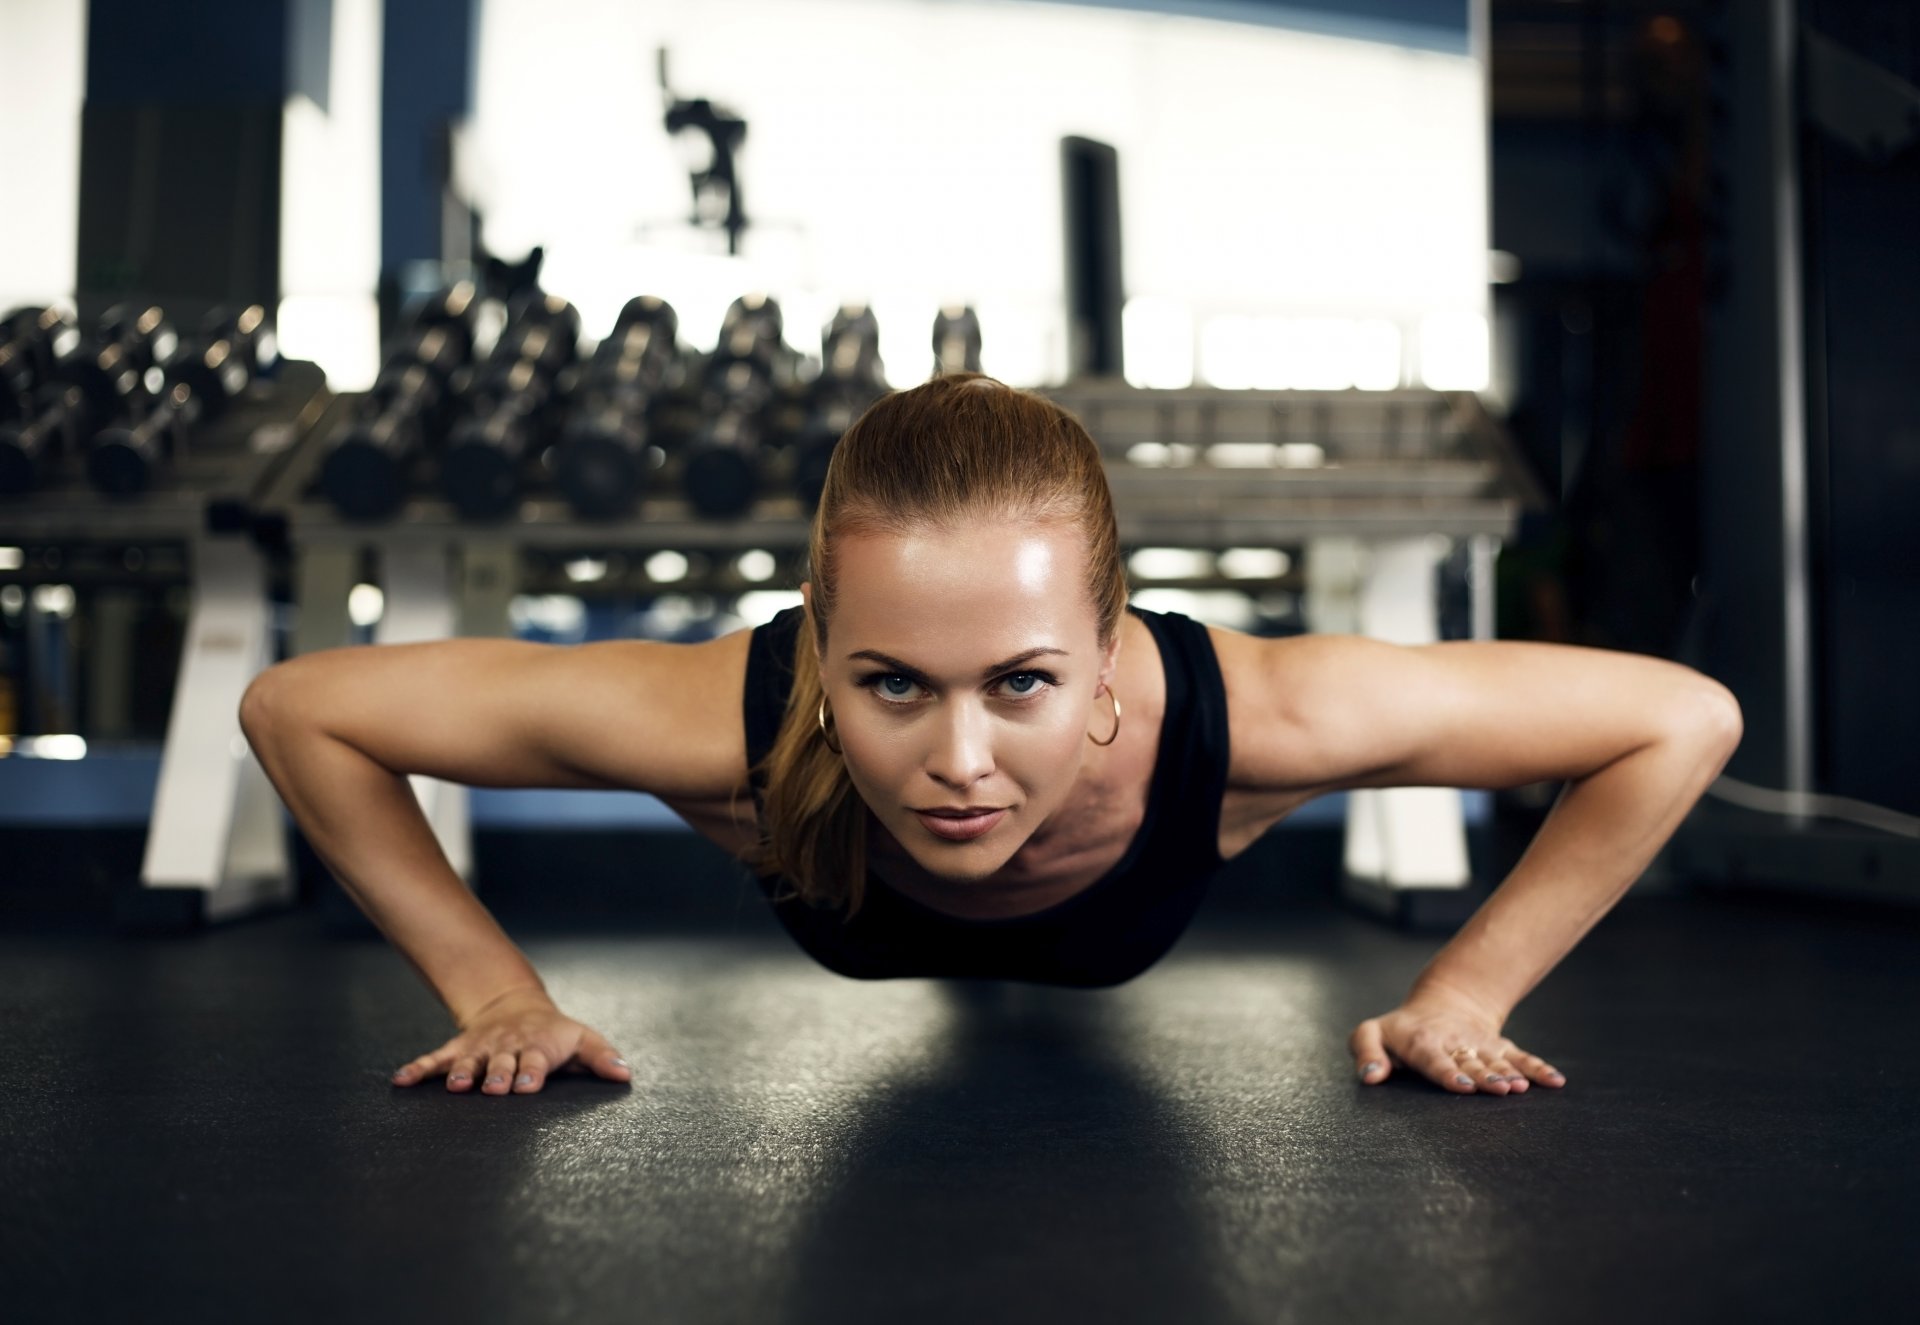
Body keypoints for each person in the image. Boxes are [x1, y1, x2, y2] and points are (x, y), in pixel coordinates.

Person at [241, 372, 1743, 1101]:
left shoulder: (1266, 717)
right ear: (820, 650)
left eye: (1020, 681)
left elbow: (1679, 717)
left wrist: (1465, 994)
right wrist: (496, 990)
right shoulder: (729, 722)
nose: (959, 758)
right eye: (892, 682)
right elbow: (301, 706)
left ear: (1110, 658)